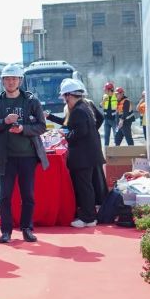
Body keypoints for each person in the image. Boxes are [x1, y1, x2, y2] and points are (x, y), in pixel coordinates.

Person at [0, 63, 48, 244]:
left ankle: (27, 229)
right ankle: (6, 231)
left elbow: (41, 126)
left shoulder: (31, 101)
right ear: (2, 81)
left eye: (14, 79)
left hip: (28, 156)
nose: (10, 82)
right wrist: (4, 121)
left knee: (28, 196)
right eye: (7, 79)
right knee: (5, 196)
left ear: (20, 80)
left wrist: (23, 129)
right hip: (6, 158)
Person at [47, 78, 106, 227]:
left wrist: (65, 134)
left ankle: (88, 218)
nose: (64, 100)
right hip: (88, 155)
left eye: (64, 97)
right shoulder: (84, 107)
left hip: (83, 156)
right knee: (87, 186)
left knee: (84, 187)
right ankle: (89, 216)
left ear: (68, 95)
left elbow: (80, 132)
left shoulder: (78, 111)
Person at [100, 82, 118, 147]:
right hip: (106, 119)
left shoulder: (116, 96)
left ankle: (117, 148)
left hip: (114, 119)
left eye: (105, 90)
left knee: (116, 135)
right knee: (106, 136)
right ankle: (106, 149)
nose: (104, 91)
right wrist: (104, 101)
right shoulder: (104, 96)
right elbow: (100, 106)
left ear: (110, 90)